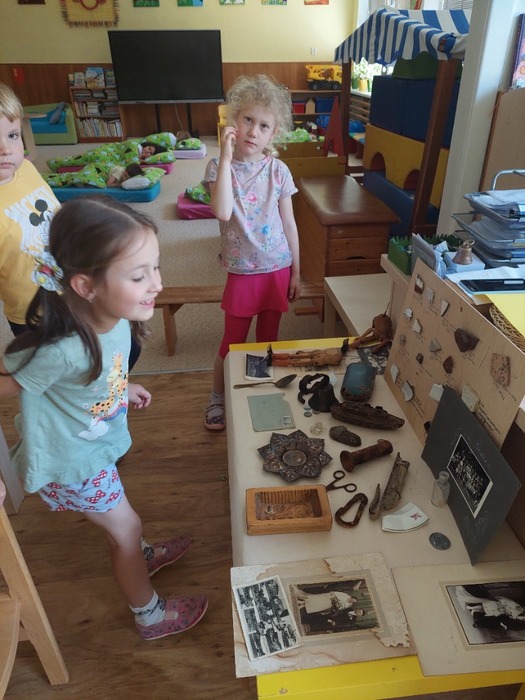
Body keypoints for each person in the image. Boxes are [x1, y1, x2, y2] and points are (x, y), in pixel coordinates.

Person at [0, 195, 207, 641]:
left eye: (155, 267)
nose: (157, 284)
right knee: (126, 529)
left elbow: (93, 373)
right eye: (139, 275)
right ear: (84, 285)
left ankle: (141, 554)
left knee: (125, 525)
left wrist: (119, 387)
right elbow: (11, 380)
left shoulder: (113, 315)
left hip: (92, 445)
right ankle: (150, 615)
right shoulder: (60, 349)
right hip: (72, 460)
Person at [203, 74, 301, 431]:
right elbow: (221, 212)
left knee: (267, 342)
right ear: (234, 120)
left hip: (277, 268)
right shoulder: (218, 167)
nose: (253, 131)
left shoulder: (279, 170)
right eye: (247, 120)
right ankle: (217, 397)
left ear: (273, 133)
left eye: (263, 126)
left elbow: (289, 224)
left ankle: (259, 393)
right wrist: (226, 158)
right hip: (243, 271)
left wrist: (297, 271)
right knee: (232, 343)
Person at [0, 81, 60, 337]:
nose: (5, 150)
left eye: (13, 135)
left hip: (70, 289)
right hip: (32, 316)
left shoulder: (26, 168)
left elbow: (55, 213)